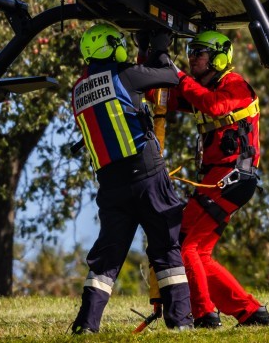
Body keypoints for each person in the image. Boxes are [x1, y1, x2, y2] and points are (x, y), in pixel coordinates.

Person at [70, 23, 193, 334]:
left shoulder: (79, 89)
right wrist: (161, 50)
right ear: (113, 46)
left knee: (106, 260)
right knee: (167, 245)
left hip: (110, 186)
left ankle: (86, 325)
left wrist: (145, 54)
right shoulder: (126, 76)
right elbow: (171, 78)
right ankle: (180, 323)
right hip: (148, 177)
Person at [170, 30, 269, 329]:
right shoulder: (203, 89)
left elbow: (214, 106)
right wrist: (149, 62)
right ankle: (251, 313)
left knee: (186, 247)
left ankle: (204, 315)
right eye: (190, 52)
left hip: (232, 177)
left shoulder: (235, 84)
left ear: (218, 57)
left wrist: (177, 76)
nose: (192, 59)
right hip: (218, 178)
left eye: (199, 53)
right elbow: (166, 96)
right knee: (195, 249)